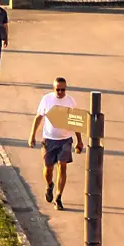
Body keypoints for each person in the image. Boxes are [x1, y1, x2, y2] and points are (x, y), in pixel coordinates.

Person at [28, 77, 84, 210]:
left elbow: (75, 122)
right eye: (58, 89)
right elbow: (38, 117)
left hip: (65, 140)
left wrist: (79, 141)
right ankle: (49, 185)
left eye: (63, 90)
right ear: (53, 89)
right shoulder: (47, 99)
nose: (60, 92)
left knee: (62, 166)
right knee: (48, 169)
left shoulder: (70, 101)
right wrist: (32, 136)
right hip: (49, 140)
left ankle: (58, 197)